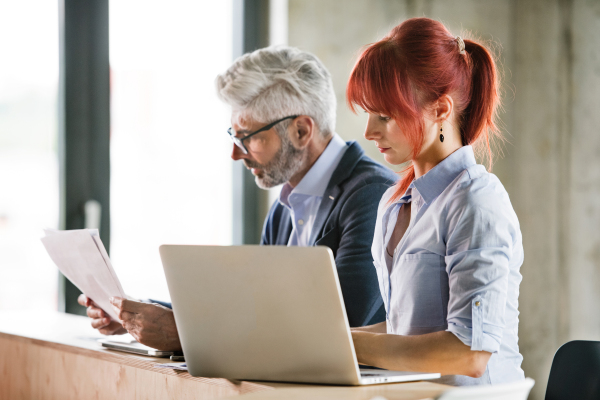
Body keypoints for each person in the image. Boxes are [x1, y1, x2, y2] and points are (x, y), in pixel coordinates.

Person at [78, 46, 397, 350]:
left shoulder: (372, 196)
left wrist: (184, 334)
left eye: (248, 137)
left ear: (301, 131)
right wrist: (139, 314)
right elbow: (255, 309)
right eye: (234, 136)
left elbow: (339, 325)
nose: (235, 153)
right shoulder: (284, 209)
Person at [346, 18, 524, 385]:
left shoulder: (476, 202)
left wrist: (346, 345)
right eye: (368, 113)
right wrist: (331, 341)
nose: (369, 132)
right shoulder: (393, 203)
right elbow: (405, 328)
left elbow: (468, 352)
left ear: (441, 110)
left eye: (385, 115)